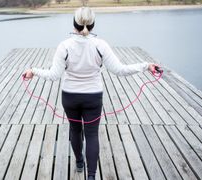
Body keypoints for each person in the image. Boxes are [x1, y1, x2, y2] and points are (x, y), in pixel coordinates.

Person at [24, 7, 158, 180]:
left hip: (70, 97)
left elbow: (54, 75)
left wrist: (33, 71)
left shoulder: (64, 46)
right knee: (92, 134)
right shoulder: (100, 45)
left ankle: (79, 162)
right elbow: (120, 70)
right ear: (93, 25)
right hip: (93, 98)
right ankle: (92, 177)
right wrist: (146, 65)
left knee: (75, 129)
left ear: (74, 24)